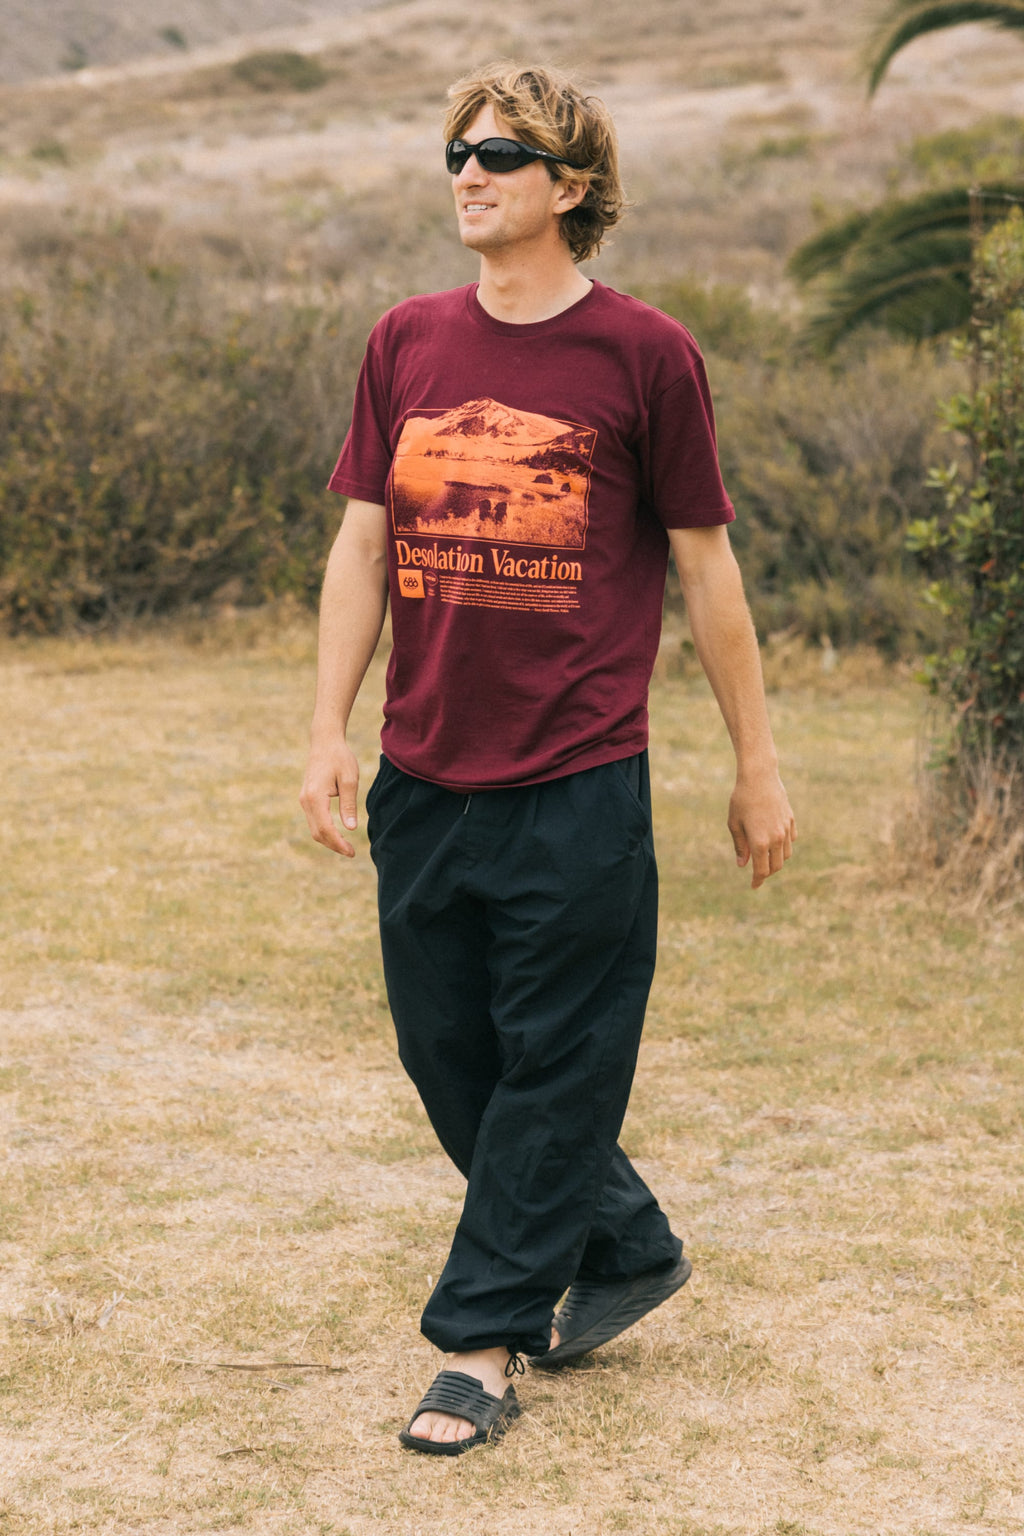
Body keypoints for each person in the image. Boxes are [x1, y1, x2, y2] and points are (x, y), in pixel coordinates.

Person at [300, 61, 796, 1457]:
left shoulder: (646, 355)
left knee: (559, 1063)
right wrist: (327, 727)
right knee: (450, 1053)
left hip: (579, 777)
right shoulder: (405, 339)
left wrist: (756, 764)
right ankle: (625, 1243)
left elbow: (709, 575)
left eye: (501, 153)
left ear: (572, 186)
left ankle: (477, 1345)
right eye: (456, 151)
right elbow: (363, 541)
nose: (469, 171)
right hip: (425, 770)